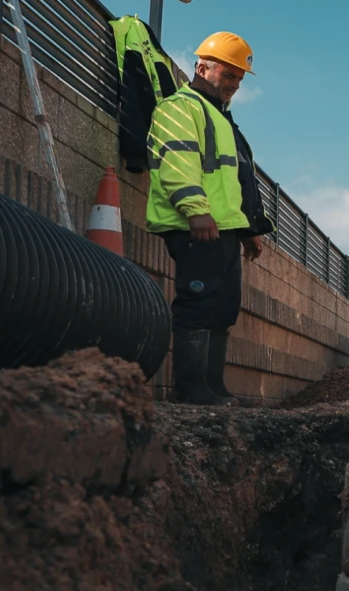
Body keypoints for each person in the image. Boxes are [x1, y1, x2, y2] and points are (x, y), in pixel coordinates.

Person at [146, 31, 273, 405]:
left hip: (223, 229)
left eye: (238, 78)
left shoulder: (221, 119)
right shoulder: (180, 107)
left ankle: (212, 387)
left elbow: (238, 181)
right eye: (228, 74)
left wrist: (250, 229)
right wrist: (196, 211)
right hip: (196, 226)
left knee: (222, 306)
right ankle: (190, 389)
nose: (234, 84)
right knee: (199, 302)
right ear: (202, 67)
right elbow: (177, 162)